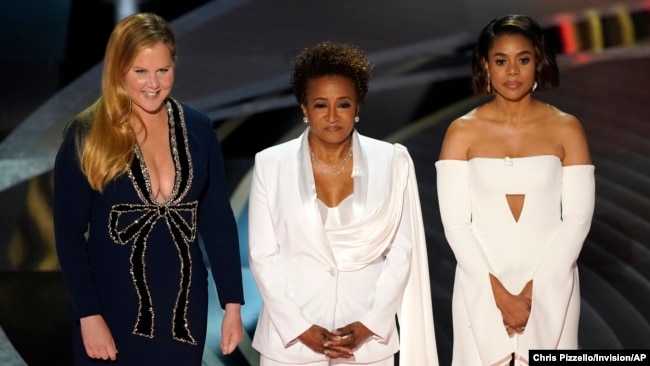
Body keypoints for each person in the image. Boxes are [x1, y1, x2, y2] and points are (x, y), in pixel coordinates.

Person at [53, 13, 244, 365]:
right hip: (109, 309)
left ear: (175, 67)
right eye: (140, 71)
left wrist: (232, 305)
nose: (152, 84)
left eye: (163, 70)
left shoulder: (198, 128)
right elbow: (68, 235)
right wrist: (88, 315)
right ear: (118, 70)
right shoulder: (86, 133)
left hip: (184, 311)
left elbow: (217, 221)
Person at [247, 41, 438, 365]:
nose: (333, 117)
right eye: (321, 105)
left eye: (344, 104)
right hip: (290, 345)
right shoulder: (270, 164)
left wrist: (370, 324)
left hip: (367, 344)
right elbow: (262, 256)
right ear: (304, 109)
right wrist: (300, 327)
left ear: (358, 107)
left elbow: (401, 251)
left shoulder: (391, 160)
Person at [435, 14, 595, 365]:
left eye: (523, 59)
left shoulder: (567, 128)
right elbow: (457, 226)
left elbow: (577, 221)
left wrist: (535, 291)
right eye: (501, 61)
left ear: (538, 62)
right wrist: (499, 296)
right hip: (480, 284)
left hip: (553, 283)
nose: (512, 71)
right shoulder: (461, 132)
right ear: (485, 66)